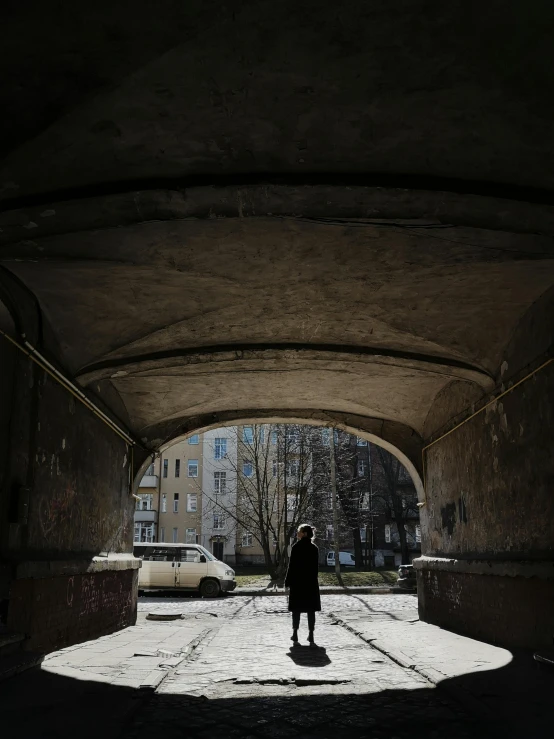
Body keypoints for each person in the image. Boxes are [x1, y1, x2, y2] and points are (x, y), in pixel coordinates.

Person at [284, 523, 321, 645]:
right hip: (310, 583)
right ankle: (311, 634)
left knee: (296, 610)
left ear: (304, 533)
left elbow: (292, 566)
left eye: (299, 531)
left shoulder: (296, 547)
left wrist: (287, 582)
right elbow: (315, 569)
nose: (297, 534)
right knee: (311, 610)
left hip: (297, 583)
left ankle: (295, 633)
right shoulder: (314, 548)